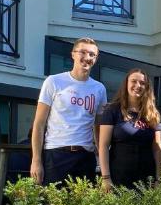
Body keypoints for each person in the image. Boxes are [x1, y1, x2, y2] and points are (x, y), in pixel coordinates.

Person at [30, 38, 107, 185]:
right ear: (73, 54)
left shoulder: (99, 89)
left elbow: (98, 128)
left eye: (92, 55)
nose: (87, 57)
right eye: (82, 52)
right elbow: (39, 124)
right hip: (56, 154)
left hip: (85, 157)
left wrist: (104, 166)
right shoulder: (53, 81)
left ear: (96, 59)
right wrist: (36, 160)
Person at [97, 69, 161, 190]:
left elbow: (157, 149)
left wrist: (158, 178)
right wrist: (106, 177)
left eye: (142, 83)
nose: (138, 86)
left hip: (147, 180)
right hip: (118, 177)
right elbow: (103, 146)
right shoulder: (112, 110)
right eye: (134, 81)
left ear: (147, 87)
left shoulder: (152, 113)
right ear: (126, 84)